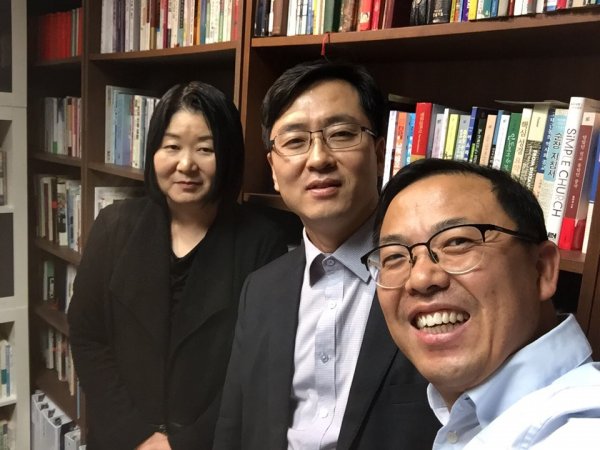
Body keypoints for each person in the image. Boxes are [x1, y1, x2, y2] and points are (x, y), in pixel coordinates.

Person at [213, 60, 439, 450]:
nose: (318, 158)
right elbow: (234, 424)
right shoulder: (261, 290)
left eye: (341, 134)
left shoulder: (432, 277)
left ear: (379, 154)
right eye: (295, 141)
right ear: (273, 169)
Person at [67, 81, 288, 450]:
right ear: (153, 152)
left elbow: (258, 363)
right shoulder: (114, 226)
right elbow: (87, 335)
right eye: (171, 146)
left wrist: (183, 444)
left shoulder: (262, 242)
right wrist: (137, 435)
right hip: (121, 439)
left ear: (228, 156)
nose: (186, 164)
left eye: (205, 149)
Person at [363, 158, 600, 449]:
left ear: (542, 270)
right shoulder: (469, 416)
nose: (421, 278)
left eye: (457, 242)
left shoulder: (581, 429)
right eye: (394, 257)